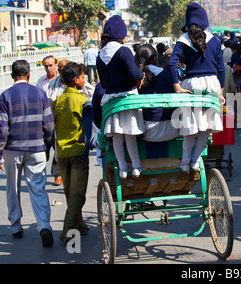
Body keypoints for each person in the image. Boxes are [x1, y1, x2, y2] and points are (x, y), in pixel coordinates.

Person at [0, 60, 55, 246]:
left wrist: (0, 153)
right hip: (36, 148)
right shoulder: (40, 93)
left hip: (12, 149)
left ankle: (15, 226)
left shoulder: (5, 96)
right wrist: (47, 146)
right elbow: (49, 124)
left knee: (13, 188)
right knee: (38, 188)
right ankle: (44, 226)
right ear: (29, 74)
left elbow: (2, 129)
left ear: (12, 75)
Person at [167, 2, 225, 173]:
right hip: (212, 85)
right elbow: (221, 69)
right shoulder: (214, 40)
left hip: (191, 85)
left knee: (190, 127)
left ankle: (185, 162)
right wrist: (221, 92)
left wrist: (177, 87)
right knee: (206, 127)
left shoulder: (182, 40)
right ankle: (196, 160)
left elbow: (171, 63)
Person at [96, 15, 145, 180]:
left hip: (111, 100)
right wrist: (140, 75)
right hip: (127, 98)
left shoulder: (100, 54)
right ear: (120, 35)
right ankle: (136, 167)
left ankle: (123, 168)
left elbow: (102, 80)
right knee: (130, 135)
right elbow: (134, 73)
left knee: (117, 136)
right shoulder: (124, 51)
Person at [53, 62, 90, 242]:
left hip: (61, 153)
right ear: (76, 80)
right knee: (78, 194)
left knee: (69, 192)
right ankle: (68, 230)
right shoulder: (82, 101)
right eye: (83, 77)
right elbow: (89, 130)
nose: (85, 80)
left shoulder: (58, 101)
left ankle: (79, 223)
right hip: (77, 153)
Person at [136, 44, 179, 142]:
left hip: (145, 132)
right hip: (172, 130)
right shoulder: (168, 75)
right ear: (155, 58)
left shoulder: (135, 80)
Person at [36, 55, 61, 186]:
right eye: (46, 66)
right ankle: (40, 172)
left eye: (51, 65)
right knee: (46, 145)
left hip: (58, 117)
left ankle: (57, 174)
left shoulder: (60, 80)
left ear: (55, 65)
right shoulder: (41, 81)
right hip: (45, 119)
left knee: (57, 146)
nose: (49, 68)